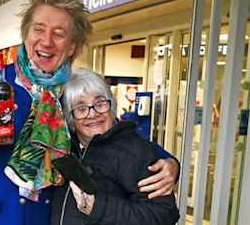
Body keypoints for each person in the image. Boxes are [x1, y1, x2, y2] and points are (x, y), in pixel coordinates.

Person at [0, 0, 179, 224]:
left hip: (48, 216)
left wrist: (169, 162)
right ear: (25, 34)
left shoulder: (75, 93)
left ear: (71, 47)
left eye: (59, 33)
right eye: (39, 29)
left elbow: (114, 136)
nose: (46, 41)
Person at [51, 69, 180, 224]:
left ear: (111, 106)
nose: (92, 114)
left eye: (100, 103)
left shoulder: (135, 151)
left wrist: (100, 208)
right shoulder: (63, 148)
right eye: (81, 108)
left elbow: (165, 214)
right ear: (70, 118)